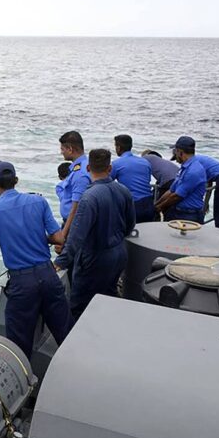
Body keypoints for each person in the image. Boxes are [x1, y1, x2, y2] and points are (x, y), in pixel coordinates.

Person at [0, 161, 71, 357]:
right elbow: (59, 238)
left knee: (18, 347)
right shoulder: (38, 201)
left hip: (22, 284)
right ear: (16, 181)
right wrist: (39, 239)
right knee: (65, 334)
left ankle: (26, 383)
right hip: (49, 276)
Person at [53, 149, 135, 319]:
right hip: (118, 254)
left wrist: (60, 262)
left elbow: (76, 237)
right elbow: (130, 225)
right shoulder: (124, 190)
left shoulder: (89, 197)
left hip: (95, 259)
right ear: (110, 168)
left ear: (88, 167)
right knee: (108, 297)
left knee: (79, 306)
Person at [155, 136, 207, 223]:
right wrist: (156, 204)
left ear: (180, 152)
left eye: (175, 151)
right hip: (178, 211)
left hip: (188, 215)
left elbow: (177, 196)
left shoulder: (193, 171)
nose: (174, 154)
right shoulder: (185, 167)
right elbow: (171, 190)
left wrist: (160, 208)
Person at [111, 134, 154, 222]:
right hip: (149, 202)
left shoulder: (116, 164)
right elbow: (147, 181)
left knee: (129, 233)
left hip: (133, 205)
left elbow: (106, 182)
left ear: (118, 147)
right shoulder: (145, 162)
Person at [57, 131, 91, 239]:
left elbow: (76, 207)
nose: (61, 152)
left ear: (70, 149)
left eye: (63, 149)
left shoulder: (80, 173)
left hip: (74, 225)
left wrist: (63, 234)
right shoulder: (85, 164)